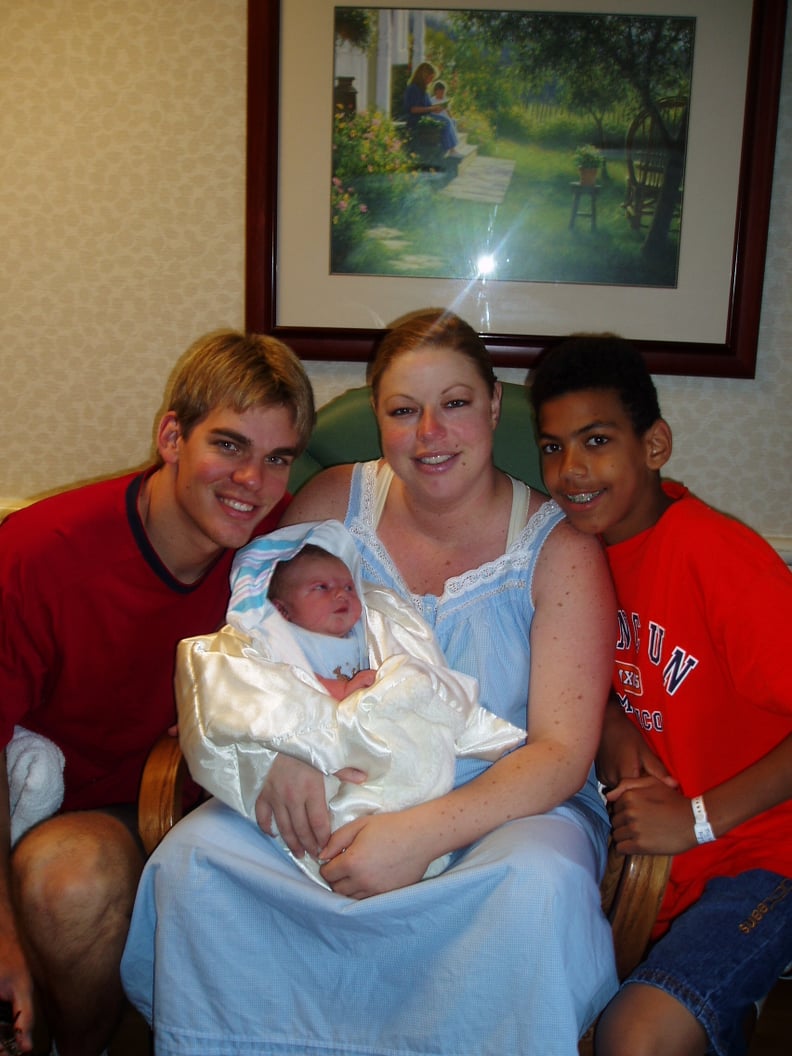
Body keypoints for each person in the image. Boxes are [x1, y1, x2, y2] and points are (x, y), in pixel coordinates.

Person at [121, 307, 619, 1056]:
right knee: (195, 864)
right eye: (403, 410)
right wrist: (286, 748)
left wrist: (418, 833)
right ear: (379, 417)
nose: (431, 434)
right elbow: (257, 648)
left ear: (491, 405)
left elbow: (560, 752)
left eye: (454, 404)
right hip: (337, 777)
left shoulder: (560, 551)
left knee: (535, 891)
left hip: (506, 809)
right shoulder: (332, 510)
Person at [0, 329, 314, 1056]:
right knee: (69, 879)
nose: (252, 483)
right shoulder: (41, 554)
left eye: (276, 459)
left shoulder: (283, 550)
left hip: (181, 808)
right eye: (229, 446)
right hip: (53, 808)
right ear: (171, 436)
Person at [529, 333, 792, 1056]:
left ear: (655, 444)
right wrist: (613, 719)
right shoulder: (581, 555)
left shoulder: (713, 554)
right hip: (658, 873)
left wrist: (699, 820)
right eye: (552, 447)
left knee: (635, 1037)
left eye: (597, 440)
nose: (571, 470)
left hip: (765, 860)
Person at [175, 518, 525, 887]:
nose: (341, 595)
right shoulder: (274, 642)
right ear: (282, 609)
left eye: (347, 586)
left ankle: (396, 833)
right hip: (313, 762)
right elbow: (265, 691)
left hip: (373, 750)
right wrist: (341, 694)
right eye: (321, 588)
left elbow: (414, 672)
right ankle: (340, 844)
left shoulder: (371, 632)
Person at [403, 61, 460, 156]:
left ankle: (451, 149)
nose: (431, 80)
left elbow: (427, 106)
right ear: (423, 75)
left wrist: (437, 107)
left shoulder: (423, 89)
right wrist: (431, 109)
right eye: (430, 77)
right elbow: (413, 109)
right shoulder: (413, 89)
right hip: (416, 119)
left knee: (450, 120)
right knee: (446, 121)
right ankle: (450, 149)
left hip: (425, 116)